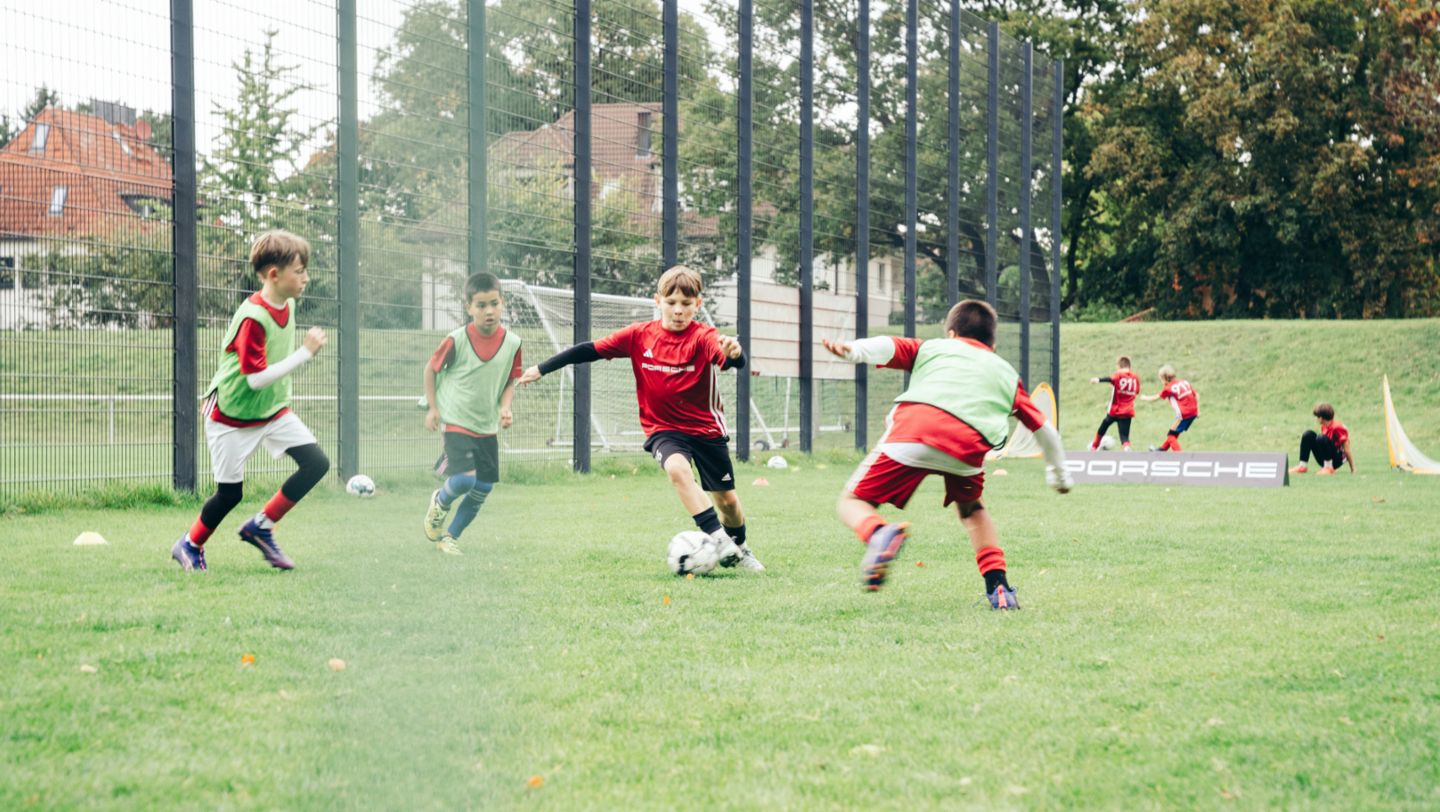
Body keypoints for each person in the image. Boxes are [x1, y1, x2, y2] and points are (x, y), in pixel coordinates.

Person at [821, 300, 1072, 610]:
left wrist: (853, 350)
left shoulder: (933, 348)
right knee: (972, 510)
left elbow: (890, 346)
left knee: (852, 502)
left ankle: (878, 533)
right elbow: (1044, 429)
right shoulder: (1006, 373)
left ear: (952, 333)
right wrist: (1058, 475)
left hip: (913, 433)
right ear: (991, 343)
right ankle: (1000, 589)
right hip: (967, 448)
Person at [517, 265, 764, 571]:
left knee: (727, 502)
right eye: (671, 303)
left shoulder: (703, 337)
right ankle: (719, 540)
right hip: (664, 429)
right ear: (657, 300)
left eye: (686, 304)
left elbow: (730, 359)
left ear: (697, 305)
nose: (678, 311)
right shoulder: (639, 336)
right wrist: (541, 368)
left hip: (706, 430)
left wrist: (735, 353)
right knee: (676, 469)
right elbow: (589, 350)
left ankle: (740, 544)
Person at [171, 230, 330, 572]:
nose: (306, 278)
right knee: (230, 494)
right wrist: (305, 353)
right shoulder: (252, 319)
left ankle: (261, 526)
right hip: (231, 415)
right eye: (299, 271)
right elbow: (255, 378)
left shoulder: (287, 302)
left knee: (316, 463)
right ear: (274, 275)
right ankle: (189, 544)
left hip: (271, 410)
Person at [421, 272, 523, 554]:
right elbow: (431, 369)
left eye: (494, 303)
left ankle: (449, 538)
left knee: (483, 488)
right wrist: (433, 407)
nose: (488, 311)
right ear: (468, 308)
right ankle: (440, 502)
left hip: (487, 426)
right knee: (466, 478)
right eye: (480, 305)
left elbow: (509, 382)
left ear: (502, 303)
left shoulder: (513, 343)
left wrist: (505, 407)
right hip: (456, 420)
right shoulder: (456, 340)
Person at [1139, 364, 1198, 452]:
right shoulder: (1184, 382)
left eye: (1161, 379)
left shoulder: (1168, 388)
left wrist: (1145, 398)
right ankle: (1162, 449)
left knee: (1171, 436)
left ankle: (1181, 457)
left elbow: (1156, 398)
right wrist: (1198, 410)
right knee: (1175, 433)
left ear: (1165, 378)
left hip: (1183, 414)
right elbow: (1196, 395)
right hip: (1193, 412)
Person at [1087, 355, 1140, 450]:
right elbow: (1137, 391)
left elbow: (1110, 379)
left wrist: (1098, 380)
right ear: (1129, 366)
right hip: (1127, 411)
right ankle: (1127, 448)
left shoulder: (1118, 375)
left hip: (1115, 410)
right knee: (1124, 436)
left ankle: (1094, 446)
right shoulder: (1135, 377)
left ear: (1119, 366)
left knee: (1103, 426)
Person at [1289, 402, 1354, 475]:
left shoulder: (1338, 427)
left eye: (1317, 417)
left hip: (1337, 460)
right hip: (1326, 458)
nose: (1316, 419)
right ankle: (1302, 466)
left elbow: (1347, 449)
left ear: (1321, 418)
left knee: (1321, 437)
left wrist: (1353, 469)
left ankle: (1329, 467)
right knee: (1308, 434)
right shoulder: (1324, 426)